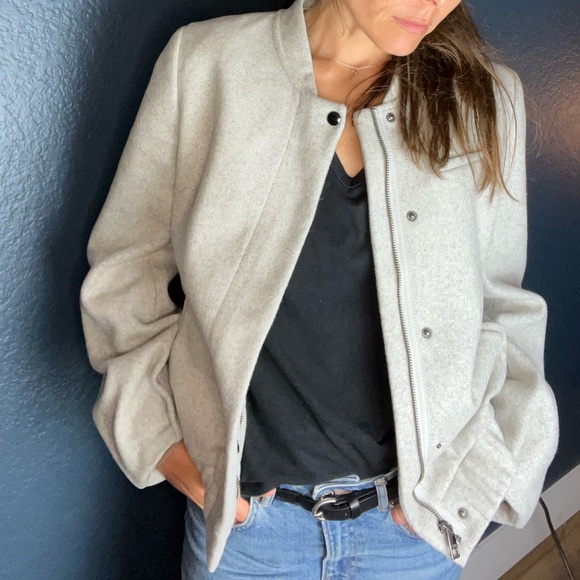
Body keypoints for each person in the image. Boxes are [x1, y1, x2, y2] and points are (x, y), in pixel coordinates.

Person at [80, 0, 559, 577]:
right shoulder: (208, 64)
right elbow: (127, 271)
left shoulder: (483, 97)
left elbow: (504, 308)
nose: (432, 4)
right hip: (247, 536)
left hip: (415, 533)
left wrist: (484, 477)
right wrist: (162, 445)